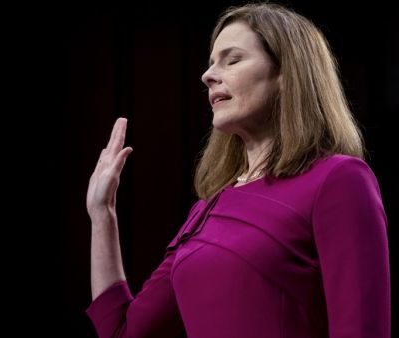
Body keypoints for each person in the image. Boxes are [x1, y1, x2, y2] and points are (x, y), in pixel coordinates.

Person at [85, 3, 390, 338]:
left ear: (286, 74)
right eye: (211, 63)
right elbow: (123, 332)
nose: (208, 75)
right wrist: (102, 214)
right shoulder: (207, 210)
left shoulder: (338, 180)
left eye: (232, 60)